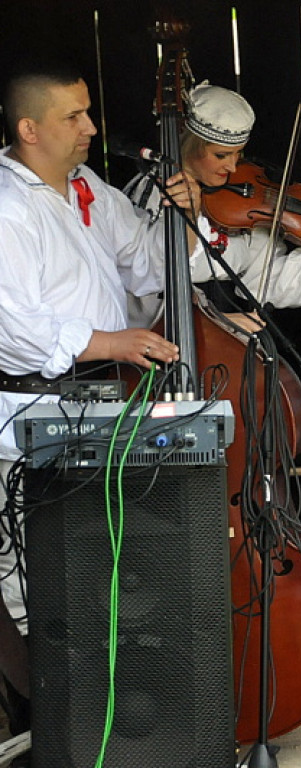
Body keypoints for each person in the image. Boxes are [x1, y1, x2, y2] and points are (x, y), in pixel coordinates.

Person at [0, 58, 189, 751]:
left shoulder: (93, 191)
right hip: (27, 411)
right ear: (29, 129)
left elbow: (148, 276)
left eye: (88, 111)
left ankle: (115, 728)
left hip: (105, 403)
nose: (90, 126)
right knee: (38, 582)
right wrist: (108, 339)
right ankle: (52, 731)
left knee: (110, 572)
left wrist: (177, 218)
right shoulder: (7, 207)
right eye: (72, 116)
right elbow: (12, 327)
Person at [125, 83, 301, 328]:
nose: (233, 167)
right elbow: (145, 287)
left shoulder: (243, 202)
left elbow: (266, 279)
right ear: (188, 145)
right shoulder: (154, 193)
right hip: (170, 345)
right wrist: (216, 320)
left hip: (228, 334)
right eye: (221, 155)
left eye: (239, 153)